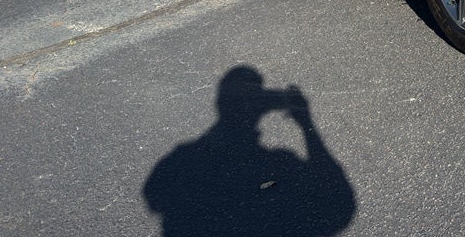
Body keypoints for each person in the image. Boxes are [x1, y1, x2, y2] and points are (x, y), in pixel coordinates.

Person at [144, 65, 355, 236]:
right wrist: (306, 124)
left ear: (219, 104)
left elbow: (155, 193)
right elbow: (338, 199)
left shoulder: (184, 159)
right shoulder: (280, 165)